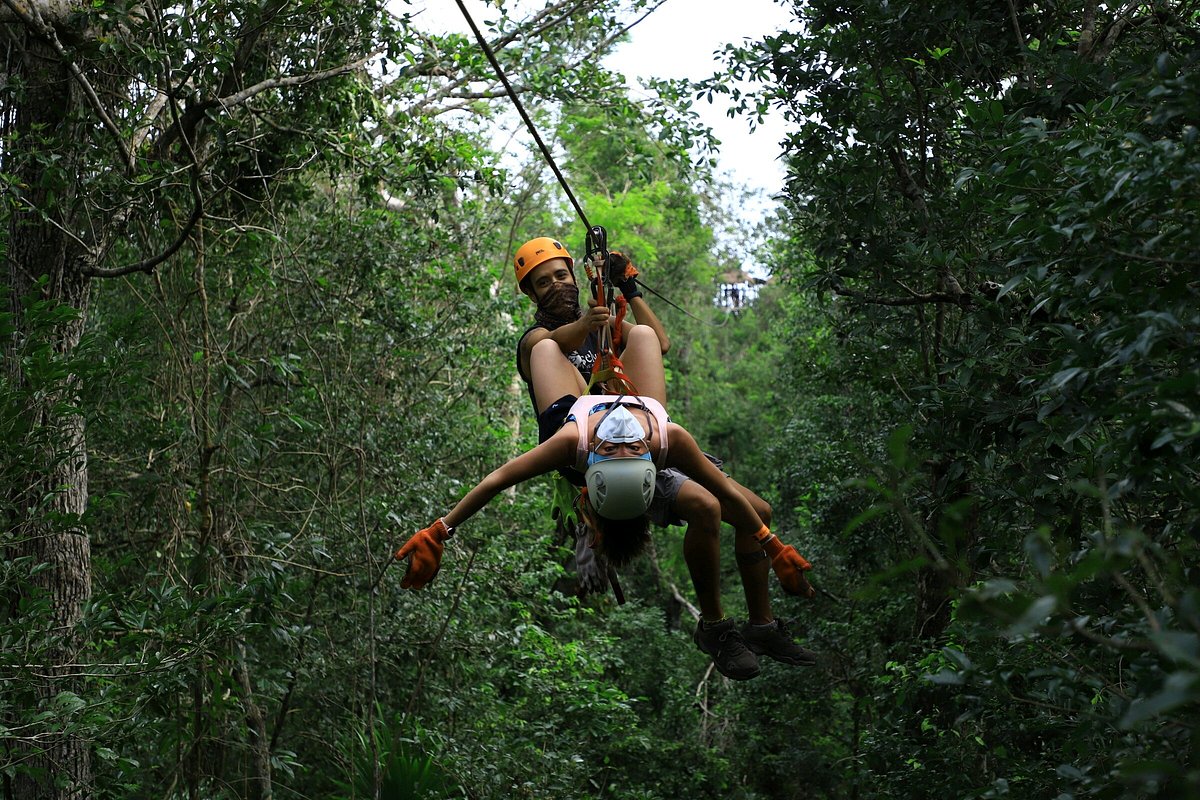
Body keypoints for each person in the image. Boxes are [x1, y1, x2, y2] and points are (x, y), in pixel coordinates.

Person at [395, 319, 816, 680]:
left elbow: (498, 479)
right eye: (624, 449)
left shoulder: (575, 441)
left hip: (577, 418)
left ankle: (758, 628)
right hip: (634, 428)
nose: (620, 438)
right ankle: (723, 626)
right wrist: (770, 542)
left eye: (620, 448)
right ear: (651, 460)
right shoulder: (663, 438)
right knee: (646, 337)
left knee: (544, 348)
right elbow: (722, 492)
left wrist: (440, 531)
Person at [510, 237, 816, 677]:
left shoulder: (600, 325)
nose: (556, 286)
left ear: (574, 275)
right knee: (705, 506)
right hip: (603, 465)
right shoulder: (537, 342)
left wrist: (629, 290)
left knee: (758, 513)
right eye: (543, 283)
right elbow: (555, 340)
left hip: (645, 440)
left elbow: (660, 343)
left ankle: (762, 625)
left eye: (561, 275)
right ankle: (715, 627)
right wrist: (595, 321)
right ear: (531, 293)